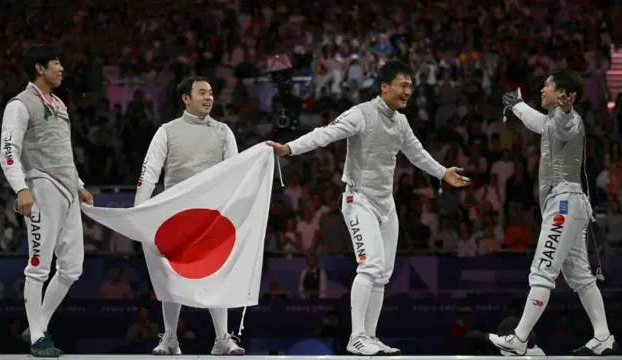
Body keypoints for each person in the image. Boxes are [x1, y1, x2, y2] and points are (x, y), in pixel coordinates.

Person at [266, 60, 470, 356]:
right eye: (403, 85)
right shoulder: (361, 114)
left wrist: (442, 172)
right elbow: (324, 134)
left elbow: (417, 153)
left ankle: (370, 337)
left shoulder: (400, 122)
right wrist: (289, 148)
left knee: (383, 274)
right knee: (370, 265)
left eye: (411, 87)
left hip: (386, 206)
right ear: (384, 86)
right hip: (358, 200)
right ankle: (356, 336)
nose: (408, 92)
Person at [487, 70, 617, 356]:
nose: (542, 88)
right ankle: (603, 337)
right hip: (568, 205)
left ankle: (519, 338)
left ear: (562, 94)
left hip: (564, 205)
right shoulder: (551, 121)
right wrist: (518, 105)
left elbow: (564, 124)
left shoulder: (567, 119)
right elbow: (541, 123)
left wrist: (567, 107)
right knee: (580, 277)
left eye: (547, 85)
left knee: (543, 271)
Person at [134, 76, 244, 356]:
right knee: (172, 277)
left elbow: (236, 175)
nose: (208, 97)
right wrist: (139, 214)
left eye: (211, 93)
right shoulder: (167, 131)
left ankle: (222, 339)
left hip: (211, 218)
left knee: (216, 274)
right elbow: (149, 174)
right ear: (186, 98)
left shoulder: (223, 132)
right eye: (202, 93)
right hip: (176, 217)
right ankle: (170, 337)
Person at [0, 44, 94, 358]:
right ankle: (38, 337)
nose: (61, 68)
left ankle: (37, 323)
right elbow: (8, 152)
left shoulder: (60, 104)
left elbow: (62, 152)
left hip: (67, 191)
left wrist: (79, 184)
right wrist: (21, 189)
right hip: (40, 187)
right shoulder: (20, 104)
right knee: (39, 267)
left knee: (71, 269)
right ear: (40, 68)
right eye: (55, 62)